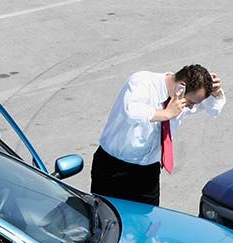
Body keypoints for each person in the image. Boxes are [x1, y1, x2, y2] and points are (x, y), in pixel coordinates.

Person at [91, 64, 225, 206]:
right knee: (105, 221)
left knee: (148, 223)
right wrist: (166, 113)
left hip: (148, 174)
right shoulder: (142, 81)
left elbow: (213, 110)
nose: (191, 107)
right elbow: (131, 111)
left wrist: (216, 94)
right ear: (181, 87)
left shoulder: (180, 99)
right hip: (113, 168)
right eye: (190, 102)